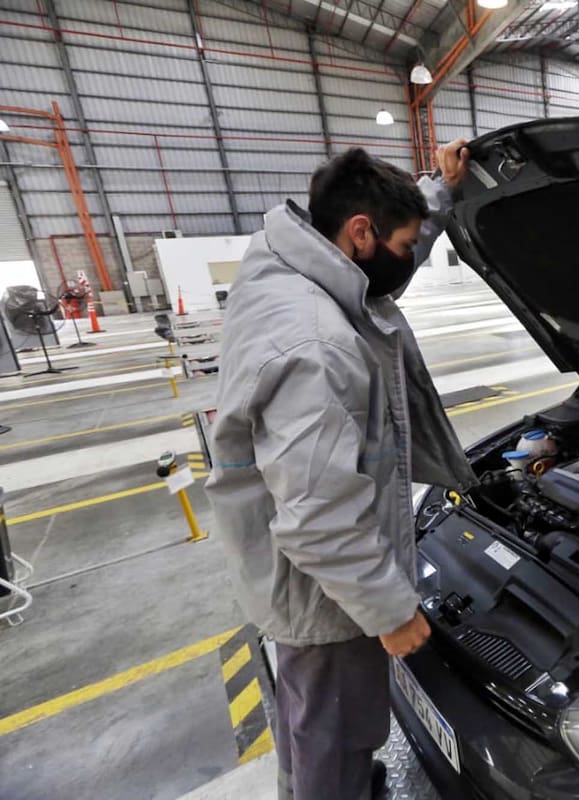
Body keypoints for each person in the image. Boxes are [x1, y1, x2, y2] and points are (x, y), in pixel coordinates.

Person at [205, 142, 480, 800]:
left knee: (309, 729)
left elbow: (373, 277)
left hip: (289, 574)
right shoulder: (317, 342)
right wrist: (388, 609)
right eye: (407, 243)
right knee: (337, 732)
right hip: (324, 595)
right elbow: (319, 518)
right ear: (360, 232)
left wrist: (435, 195)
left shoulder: (287, 266)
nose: (410, 258)